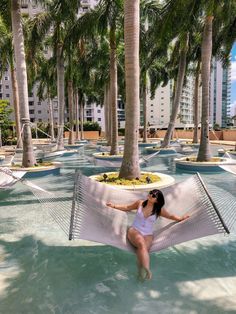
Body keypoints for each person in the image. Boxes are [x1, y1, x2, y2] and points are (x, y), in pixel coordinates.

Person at [106, 189, 189, 280]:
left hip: (148, 234)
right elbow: (127, 207)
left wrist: (181, 218)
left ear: (157, 200)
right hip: (134, 230)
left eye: (153, 195)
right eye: (151, 193)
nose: (151, 195)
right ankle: (147, 269)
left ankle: (140, 272)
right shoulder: (140, 203)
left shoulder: (158, 210)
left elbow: (170, 216)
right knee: (141, 244)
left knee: (143, 249)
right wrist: (113, 206)